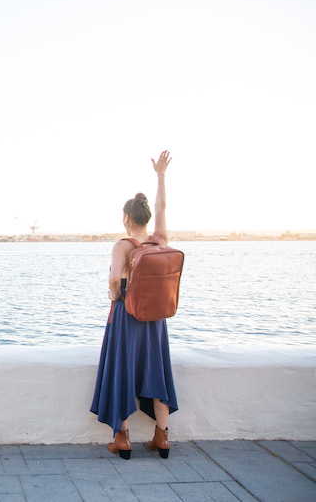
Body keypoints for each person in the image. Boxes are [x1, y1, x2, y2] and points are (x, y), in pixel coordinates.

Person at [90, 150, 178, 460]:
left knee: (122, 371)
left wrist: (114, 296)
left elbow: (116, 281)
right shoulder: (160, 240)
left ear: (127, 218)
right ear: (146, 219)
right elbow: (162, 206)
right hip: (155, 318)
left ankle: (123, 438)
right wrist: (161, 176)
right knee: (157, 372)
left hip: (126, 316)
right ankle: (162, 438)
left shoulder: (123, 245)